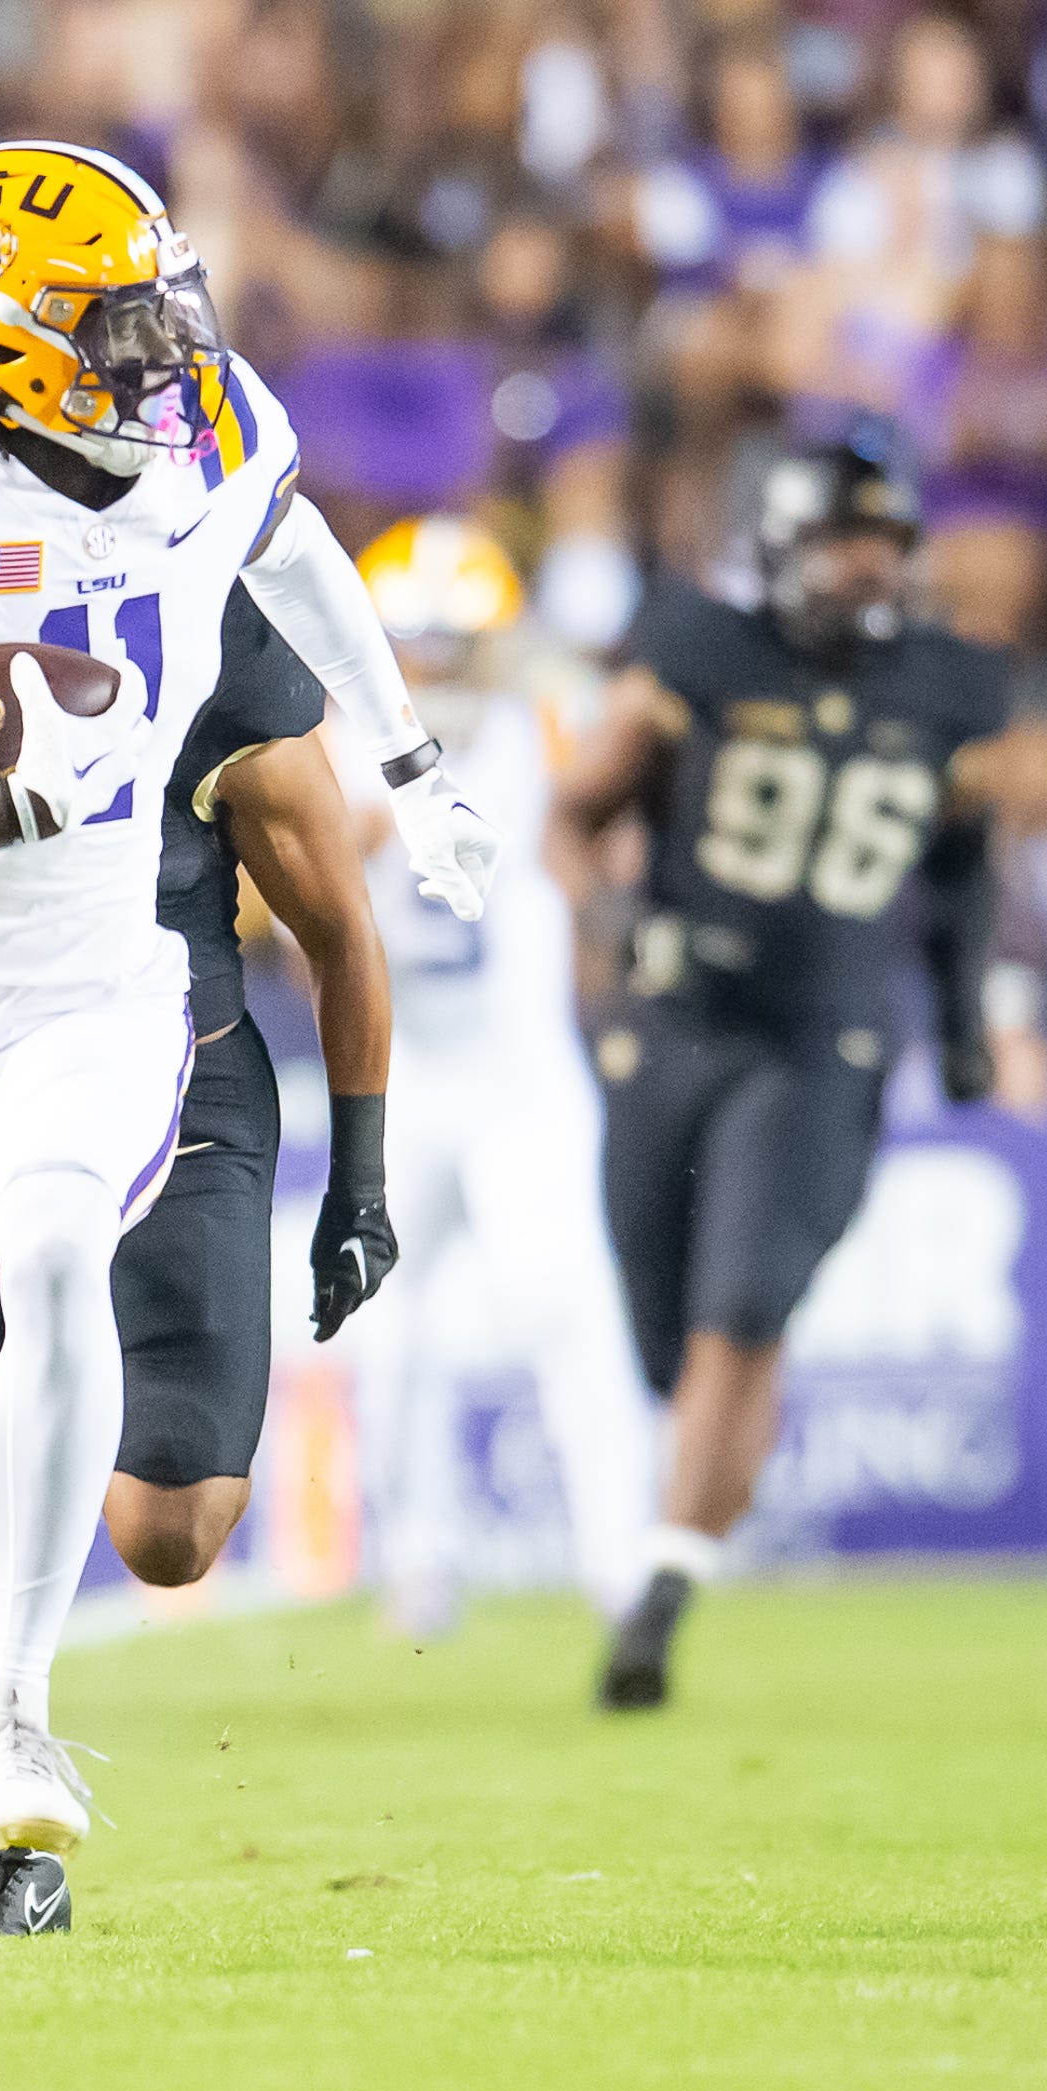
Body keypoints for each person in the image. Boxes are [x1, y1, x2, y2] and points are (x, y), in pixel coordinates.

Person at [0, 142, 496, 1937]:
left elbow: (294, 549)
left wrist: (409, 762)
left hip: (107, 982)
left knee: (67, 1248)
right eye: (105, 315)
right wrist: (8, 809)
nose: (159, 342)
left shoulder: (207, 429)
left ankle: (17, 1716)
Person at [553, 441, 1008, 1713]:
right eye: (842, 545)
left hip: (827, 1039)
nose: (869, 573)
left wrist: (969, 1017)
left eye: (888, 548)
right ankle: (687, 1522)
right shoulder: (699, 650)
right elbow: (576, 815)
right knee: (664, 1335)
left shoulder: (947, 688)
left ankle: (664, 1586)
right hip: (681, 1021)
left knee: (742, 1310)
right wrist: (603, 936)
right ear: (779, 550)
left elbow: (968, 870)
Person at [0, 587, 392, 1794]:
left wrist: (360, 1177)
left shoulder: (218, 648)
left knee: (172, 1533)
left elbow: (339, 930)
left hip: (186, 1080)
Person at [340, 517, 657, 1637]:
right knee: (383, 1326)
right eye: (411, 643)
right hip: (401, 1079)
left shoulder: (543, 730)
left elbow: (619, 805)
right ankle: (418, 1561)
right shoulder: (328, 748)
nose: (428, 666)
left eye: (450, 642)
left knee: (567, 1311)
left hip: (520, 1076)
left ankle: (624, 1566)